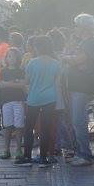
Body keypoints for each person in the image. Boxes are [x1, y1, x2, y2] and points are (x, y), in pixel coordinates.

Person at [61, 14, 94, 168]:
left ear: (84, 27)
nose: (74, 28)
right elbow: (77, 62)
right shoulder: (85, 43)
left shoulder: (90, 43)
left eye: (76, 25)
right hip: (77, 86)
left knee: (79, 120)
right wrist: (72, 60)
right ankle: (79, 151)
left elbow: (78, 61)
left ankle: (84, 154)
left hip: (83, 87)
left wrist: (67, 58)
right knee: (76, 120)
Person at [17, 35, 62, 167]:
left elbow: (27, 81)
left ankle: (27, 157)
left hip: (34, 98)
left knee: (29, 127)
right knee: (46, 128)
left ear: (37, 47)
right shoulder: (56, 63)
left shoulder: (32, 62)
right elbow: (57, 83)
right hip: (50, 98)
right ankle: (43, 158)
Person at [0, 48, 27, 160]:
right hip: (6, 101)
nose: (11, 59)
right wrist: (14, 82)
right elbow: (1, 85)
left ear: (18, 58)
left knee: (19, 125)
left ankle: (19, 149)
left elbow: (22, 85)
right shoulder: (3, 71)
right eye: (9, 56)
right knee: (7, 126)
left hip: (18, 101)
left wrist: (8, 83)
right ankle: (6, 149)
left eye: (13, 56)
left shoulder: (21, 70)